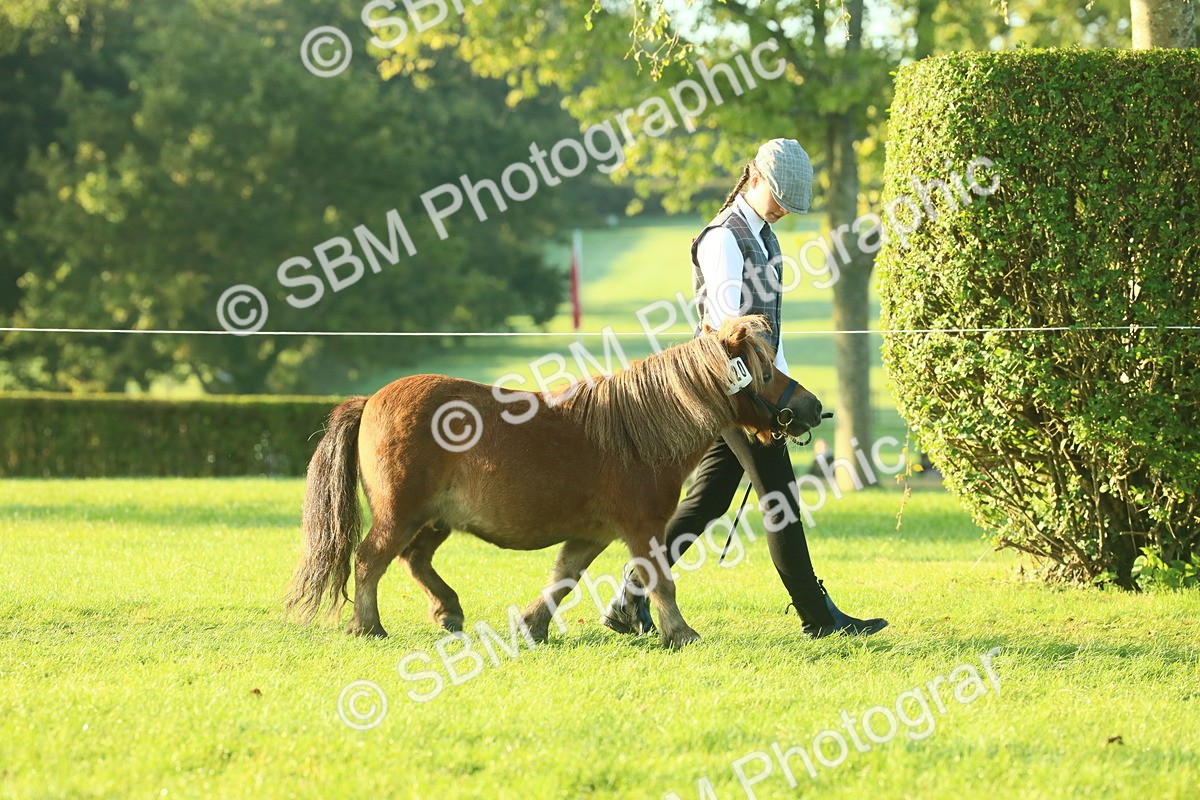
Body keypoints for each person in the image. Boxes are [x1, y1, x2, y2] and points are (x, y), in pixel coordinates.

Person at [602, 138, 888, 639]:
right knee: (782, 501)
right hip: (734, 395)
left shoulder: (764, 236)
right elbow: (725, 333)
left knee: (707, 501)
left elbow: (768, 332)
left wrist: (788, 392)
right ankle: (819, 618)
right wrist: (767, 408)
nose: (784, 210)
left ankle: (629, 596)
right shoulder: (723, 239)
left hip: (753, 393)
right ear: (754, 178)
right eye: (780, 198)